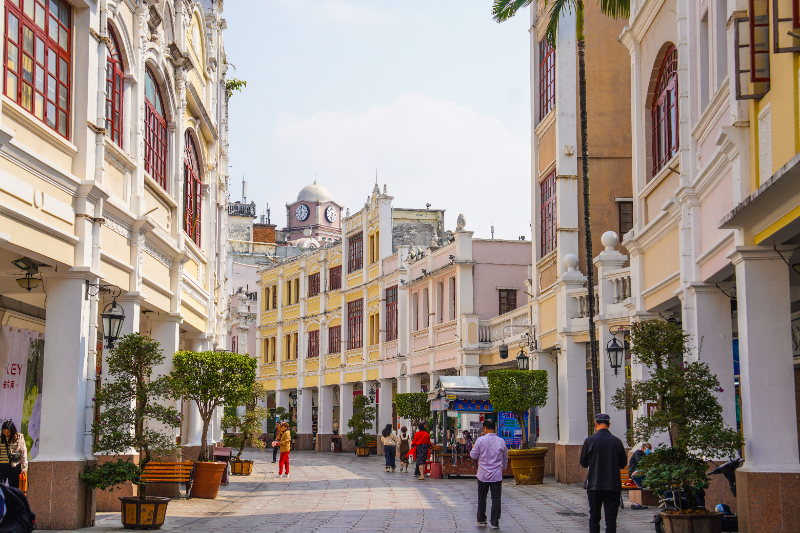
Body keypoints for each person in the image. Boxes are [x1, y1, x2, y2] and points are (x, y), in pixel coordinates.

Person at [579, 414, 628, 533]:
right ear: (609, 425)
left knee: (594, 517)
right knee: (611, 520)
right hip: (613, 485)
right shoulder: (617, 441)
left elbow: (583, 462)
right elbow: (623, 463)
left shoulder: (589, 440)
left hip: (594, 485)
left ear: (595, 424)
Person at [469, 419, 508, 529]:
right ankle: (495, 522)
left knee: (482, 497)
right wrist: (502, 468)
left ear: (485, 428)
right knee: (496, 499)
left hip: (483, 475)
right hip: (496, 475)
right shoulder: (501, 441)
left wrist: (473, 448)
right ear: (495, 428)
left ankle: (481, 519)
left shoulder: (480, 440)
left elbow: (473, 455)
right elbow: (505, 458)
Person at [0, 421, 27, 490]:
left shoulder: (19, 437)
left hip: (15, 466)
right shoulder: (0, 438)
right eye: (4, 432)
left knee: (14, 488)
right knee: (1, 486)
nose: (6, 434)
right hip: (2, 465)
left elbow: (23, 452)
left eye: (8, 432)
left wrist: (24, 467)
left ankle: (12, 497)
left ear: (12, 430)